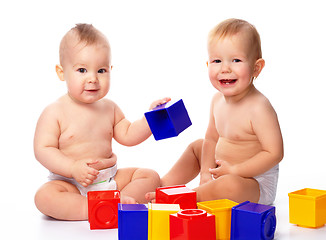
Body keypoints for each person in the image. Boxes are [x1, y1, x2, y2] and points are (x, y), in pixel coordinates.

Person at [34, 23, 170, 220]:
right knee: (44, 197)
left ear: (110, 70)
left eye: (101, 70)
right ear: (61, 72)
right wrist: (72, 168)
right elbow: (43, 149)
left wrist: (150, 120)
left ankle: (116, 202)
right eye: (82, 70)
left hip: (109, 178)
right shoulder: (55, 112)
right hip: (70, 183)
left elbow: (129, 134)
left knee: (149, 175)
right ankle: (95, 208)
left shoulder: (110, 108)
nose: (93, 79)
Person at [146, 18, 283, 205]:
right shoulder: (217, 100)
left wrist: (236, 170)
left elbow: (274, 153)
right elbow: (211, 139)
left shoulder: (259, 108)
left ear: (256, 68)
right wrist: (205, 173)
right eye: (217, 61)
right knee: (198, 146)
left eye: (236, 60)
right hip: (221, 170)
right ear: (207, 65)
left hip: (252, 183)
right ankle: (163, 185)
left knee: (230, 185)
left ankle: (191, 196)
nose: (225, 68)